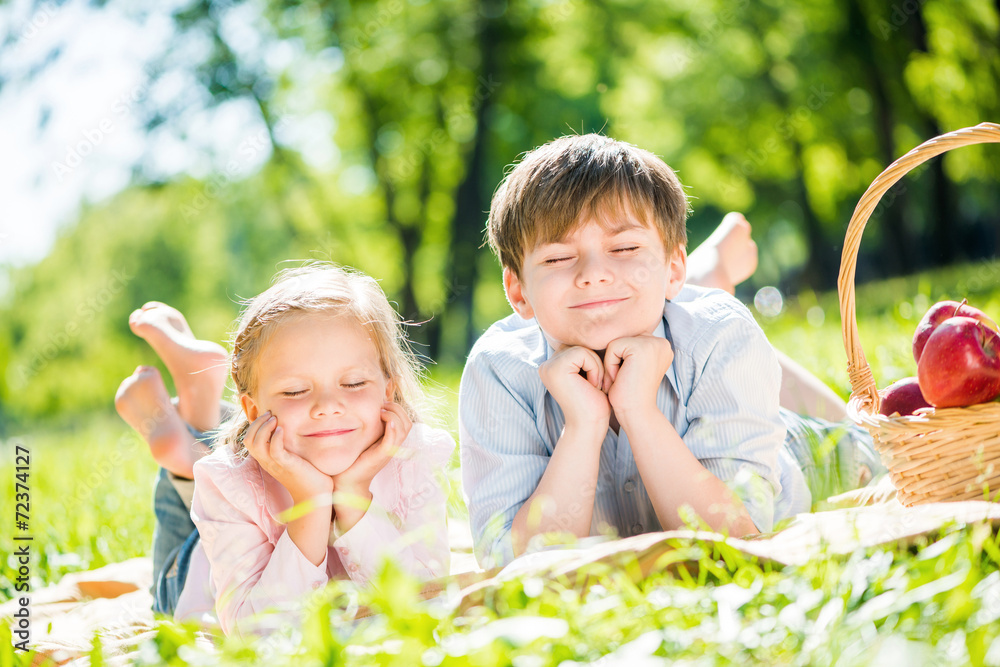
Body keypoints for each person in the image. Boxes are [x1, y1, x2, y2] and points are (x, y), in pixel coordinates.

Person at [459, 134, 883, 568]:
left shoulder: (720, 333)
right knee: (672, 316)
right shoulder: (498, 370)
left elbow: (735, 541)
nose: (593, 274)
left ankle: (702, 278)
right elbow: (510, 568)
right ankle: (705, 271)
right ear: (518, 291)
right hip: (676, 324)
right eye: (557, 258)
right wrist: (583, 427)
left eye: (623, 248)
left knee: (872, 436)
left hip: (804, 453)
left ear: (672, 267)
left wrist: (639, 412)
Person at [116, 264, 453, 636]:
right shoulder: (228, 483)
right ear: (255, 411)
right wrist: (310, 501)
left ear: (387, 392)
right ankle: (182, 454)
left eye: (354, 383)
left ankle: (196, 411)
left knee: (208, 463)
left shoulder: (414, 459)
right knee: (169, 585)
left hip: (251, 481)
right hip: (203, 574)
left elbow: (424, 600)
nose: (328, 405)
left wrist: (353, 494)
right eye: (295, 391)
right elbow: (257, 633)